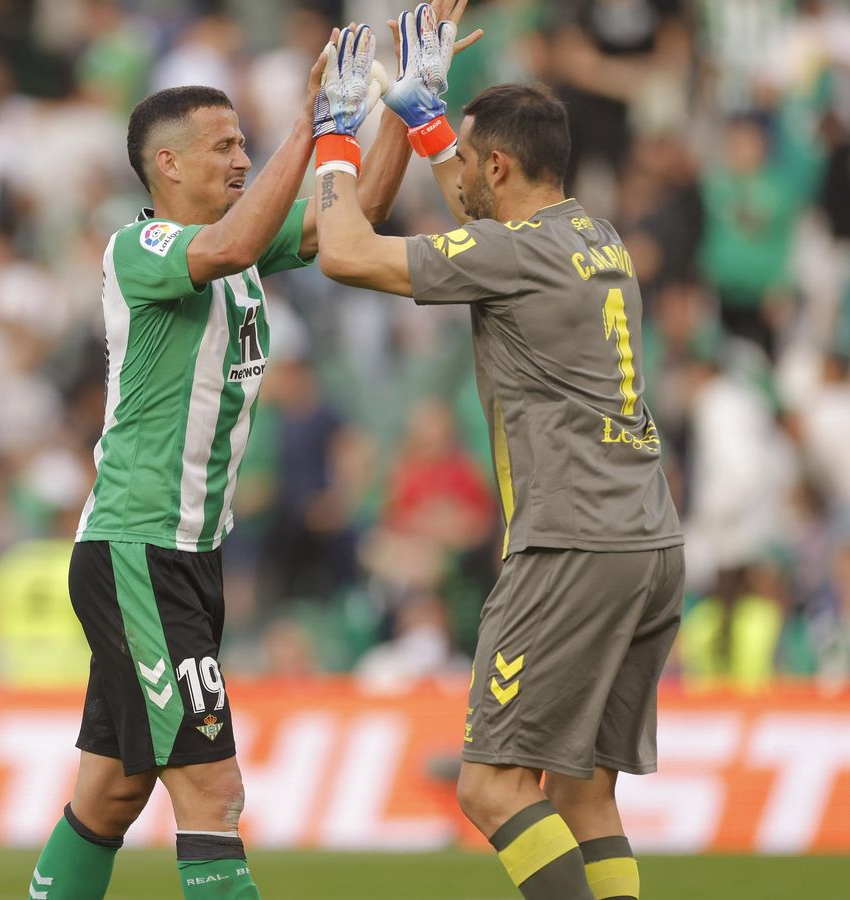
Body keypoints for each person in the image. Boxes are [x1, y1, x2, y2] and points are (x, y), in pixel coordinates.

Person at [27, 21, 418, 900]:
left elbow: (356, 222)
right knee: (212, 788)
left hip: (184, 557)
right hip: (140, 549)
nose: (240, 158)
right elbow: (237, 242)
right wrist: (310, 128)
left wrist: (399, 108)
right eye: (224, 145)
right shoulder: (144, 249)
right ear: (167, 165)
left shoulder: (231, 249)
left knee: (112, 789)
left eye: (245, 142)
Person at [312, 8, 683, 899]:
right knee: (588, 799)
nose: (463, 177)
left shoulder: (518, 256)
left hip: (569, 544)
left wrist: (335, 135)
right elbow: (486, 227)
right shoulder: (593, 236)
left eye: (472, 163)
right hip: (648, 541)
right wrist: (434, 122)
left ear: (503, 167)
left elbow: (343, 252)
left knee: (490, 786)